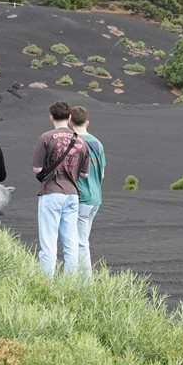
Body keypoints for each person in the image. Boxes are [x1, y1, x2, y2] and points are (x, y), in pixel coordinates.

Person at [32, 101, 90, 277]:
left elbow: (37, 169)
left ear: (51, 118)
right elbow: (85, 174)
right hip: (72, 194)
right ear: (69, 118)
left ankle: (46, 282)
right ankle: (70, 283)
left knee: (48, 242)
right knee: (71, 242)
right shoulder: (81, 141)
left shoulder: (46, 138)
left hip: (51, 192)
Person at [71, 106, 105, 278]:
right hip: (95, 198)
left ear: (70, 121)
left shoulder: (73, 142)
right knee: (81, 240)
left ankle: (84, 281)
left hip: (81, 198)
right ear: (87, 122)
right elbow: (102, 173)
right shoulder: (97, 143)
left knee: (79, 242)